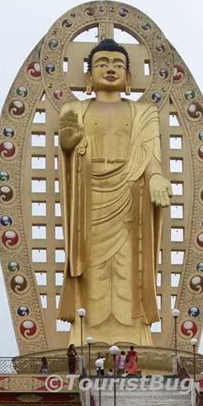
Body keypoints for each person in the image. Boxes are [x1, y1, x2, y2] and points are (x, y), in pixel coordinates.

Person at [58, 38, 172, 346]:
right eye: (102, 64)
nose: (110, 69)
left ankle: (133, 337)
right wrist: (68, 144)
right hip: (88, 196)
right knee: (91, 267)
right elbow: (69, 150)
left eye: (118, 64)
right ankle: (86, 337)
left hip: (129, 192)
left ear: (129, 77)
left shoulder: (143, 112)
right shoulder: (75, 108)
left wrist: (158, 177)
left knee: (129, 267)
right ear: (88, 76)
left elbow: (150, 154)